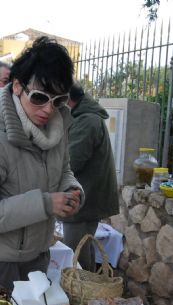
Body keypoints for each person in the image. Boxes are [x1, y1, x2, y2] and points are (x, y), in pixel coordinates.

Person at [0, 37, 84, 293]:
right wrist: (46, 203)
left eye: (58, 100)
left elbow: (64, 171)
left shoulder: (56, 128)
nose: (48, 110)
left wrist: (72, 190)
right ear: (17, 86)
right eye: (39, 97)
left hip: (38, 257)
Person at [59, 82, 119, 272]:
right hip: (85, 194)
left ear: (67, 99)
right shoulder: (83, 117)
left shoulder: (86, 120)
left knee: (74, 255)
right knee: (83, 249)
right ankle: (90, 293)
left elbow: (71, 161)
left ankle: (82, 295)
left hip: (84, 197)